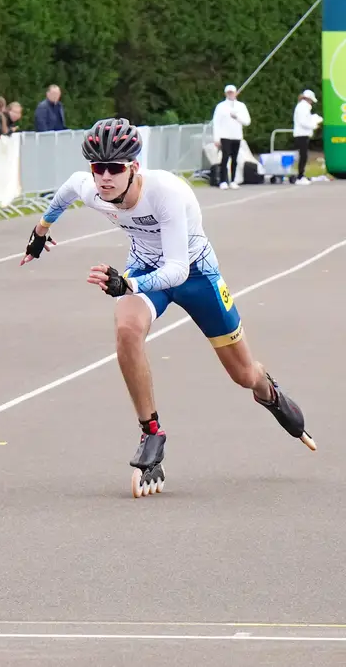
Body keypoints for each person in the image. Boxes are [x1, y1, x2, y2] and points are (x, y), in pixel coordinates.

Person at [20, 117, 315, 498]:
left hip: (195, 275)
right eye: (97, 168)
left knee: (243, 374)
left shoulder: (166, 193)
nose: (104, 178)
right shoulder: (91, 188)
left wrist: (127, 283)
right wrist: (40, 233)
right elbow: (63, 195)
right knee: (126, 328)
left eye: (114, 169)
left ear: (134, 168)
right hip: (144, 269)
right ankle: (151, 433)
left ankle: (268, 392)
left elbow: (176, 269)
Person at [212, 84, 251, 189]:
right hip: (225, 136)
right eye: (228, 92)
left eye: (232, 92)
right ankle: (223, 181)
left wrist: (237, 117)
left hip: (237, 136)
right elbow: (216, 123)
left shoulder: (241, 106)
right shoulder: (220, 106)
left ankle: (233, 180)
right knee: (225, 158)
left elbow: (247, 121)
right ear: (226, 94)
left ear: (235, 93)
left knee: (235, 158)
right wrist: (216, 138)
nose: (230, 94)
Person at [292, 88, 322, 185]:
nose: (312, 103)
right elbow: (303, 122)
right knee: (303, 156)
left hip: (302, 134)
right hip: (301, 134)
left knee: (303, 155)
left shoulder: (303, 107)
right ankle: (300, 177)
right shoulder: (303, 107)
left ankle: (301, 175)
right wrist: (314, 125)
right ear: (308, 99)